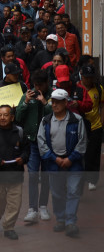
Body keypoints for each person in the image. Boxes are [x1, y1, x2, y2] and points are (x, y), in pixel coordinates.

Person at [38, 89, 87, 238]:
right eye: (53, 102)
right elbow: (41, 142)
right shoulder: (45, 120)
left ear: (66, 102)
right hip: (54, 163)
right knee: (57, 193)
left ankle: (71, 221)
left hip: (74, 163)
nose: (55, 105)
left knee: (73, 191)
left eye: (58, 102)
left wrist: (70, 159)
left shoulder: (76, 120)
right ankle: (60, 219)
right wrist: (55, 158)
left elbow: (82, 142)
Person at [0, 105, 29, 240]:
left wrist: (23, 158)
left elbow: (27, 149)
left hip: (15, 174)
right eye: (0, 115)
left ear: (12, 117)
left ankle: (9, 227)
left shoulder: (19, 132)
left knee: (14, 203)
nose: (2, 118)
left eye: (5, 115)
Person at [15, 69, 52, 224]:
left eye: (41, 86)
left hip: (49, 143)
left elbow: (57, 114)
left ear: (46, 84)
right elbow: (18, 117)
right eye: (35, 85)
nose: (38, 89)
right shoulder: (27, 96)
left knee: (45, 176)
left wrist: (45, 103)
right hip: (32, 142)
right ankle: (32, 209)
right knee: (32, 175)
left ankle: (43, 206)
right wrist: (25, 103)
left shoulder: (52, 97)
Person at [75, 65, 103, 192]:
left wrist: (102, 121)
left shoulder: (99, 89)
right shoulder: (77, 89)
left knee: (94, 154)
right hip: (81, 126)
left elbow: (101, 106)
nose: (88, 80)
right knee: (82, 153)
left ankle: (92, 180)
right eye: (86, 77)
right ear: (82, 76)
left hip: (96, 126)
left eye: (90, 77)